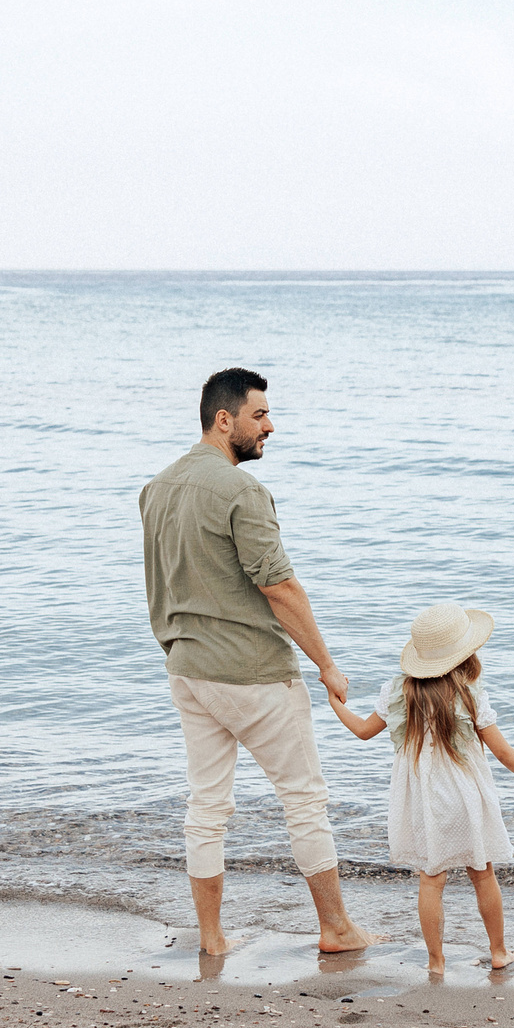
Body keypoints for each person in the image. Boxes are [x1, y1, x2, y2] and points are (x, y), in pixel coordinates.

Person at [138, 367, 376, 956]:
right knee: (303, 798)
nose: (270, 426)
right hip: (252, 673)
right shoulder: (242, 492)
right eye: (260, 415)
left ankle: (213, 938)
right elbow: (281, 588)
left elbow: (165, 582)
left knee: (207, 804)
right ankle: (336, 928)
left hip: (188, 671)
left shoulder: (156, 488)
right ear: (225, 420)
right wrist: (327, 664)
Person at [326, 603, 514, 975]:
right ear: (465, 652)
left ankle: (435, 962)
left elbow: (361, 730)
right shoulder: (469, 694)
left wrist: (333, 700)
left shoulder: (396, 691)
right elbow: (503, 751)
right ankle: (499, 952)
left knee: (431, 878)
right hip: (464, 795)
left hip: (422, 799)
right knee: (482, 873)